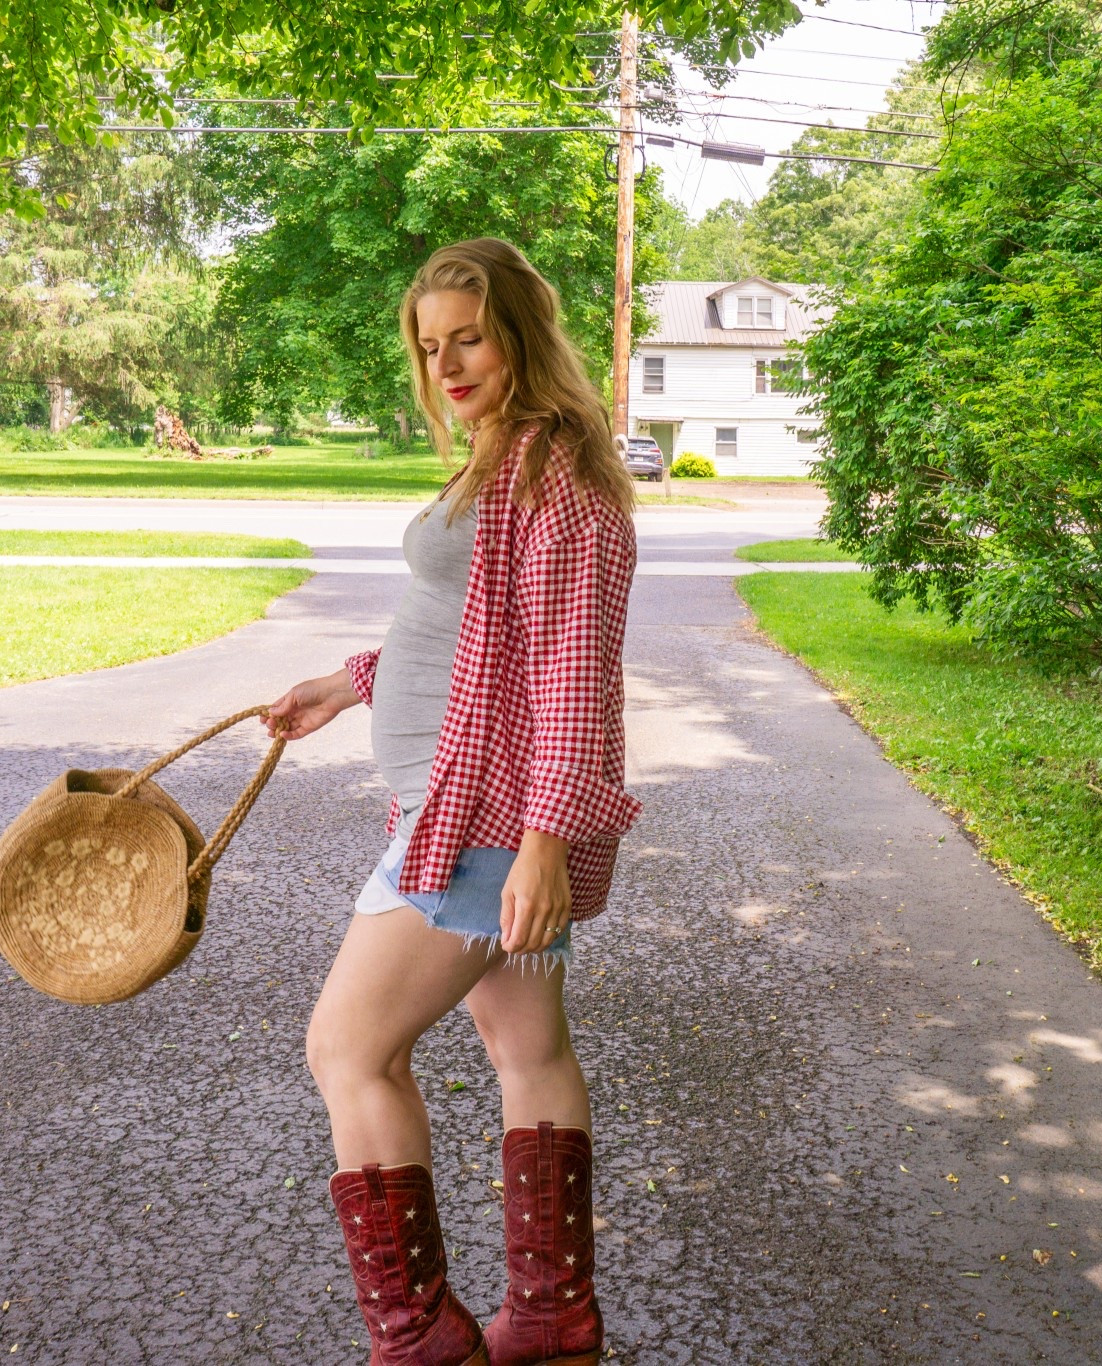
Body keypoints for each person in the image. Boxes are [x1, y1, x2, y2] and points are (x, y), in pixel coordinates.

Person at [264, 237, 640, 1366]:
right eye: (430, 348)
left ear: (519, 327)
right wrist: (348, 682)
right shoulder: (498, 457)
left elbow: (573, 667)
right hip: (460, 802)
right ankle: (551, 1325)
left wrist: (545, 843)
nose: (447, 363)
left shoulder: (554, 472)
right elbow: (470, 637)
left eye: (467, 336)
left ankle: (421, 1338)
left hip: (480, 824)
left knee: (346, 1048)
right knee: (527, 1053)